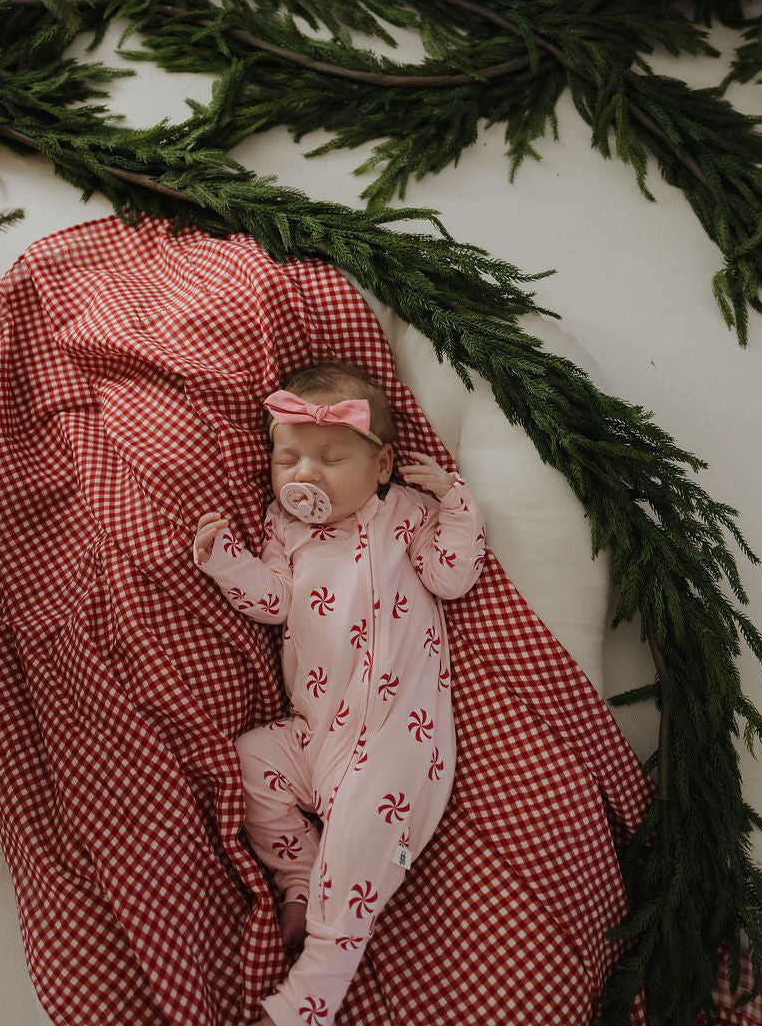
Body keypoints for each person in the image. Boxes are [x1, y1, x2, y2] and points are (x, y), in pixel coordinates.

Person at [193, 359, 486, 1026]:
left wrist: (456, 502)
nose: (305, 475)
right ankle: (299, 875)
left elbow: (452, 577)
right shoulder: (284, 526)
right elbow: (272, 601)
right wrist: (226, 560)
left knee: (357, 841)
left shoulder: (408, 513)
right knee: (250, 761)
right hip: (314, 732)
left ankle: (312, 996)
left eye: (330, 458)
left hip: (395, 741)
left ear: (381, 466)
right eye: (288, 459)